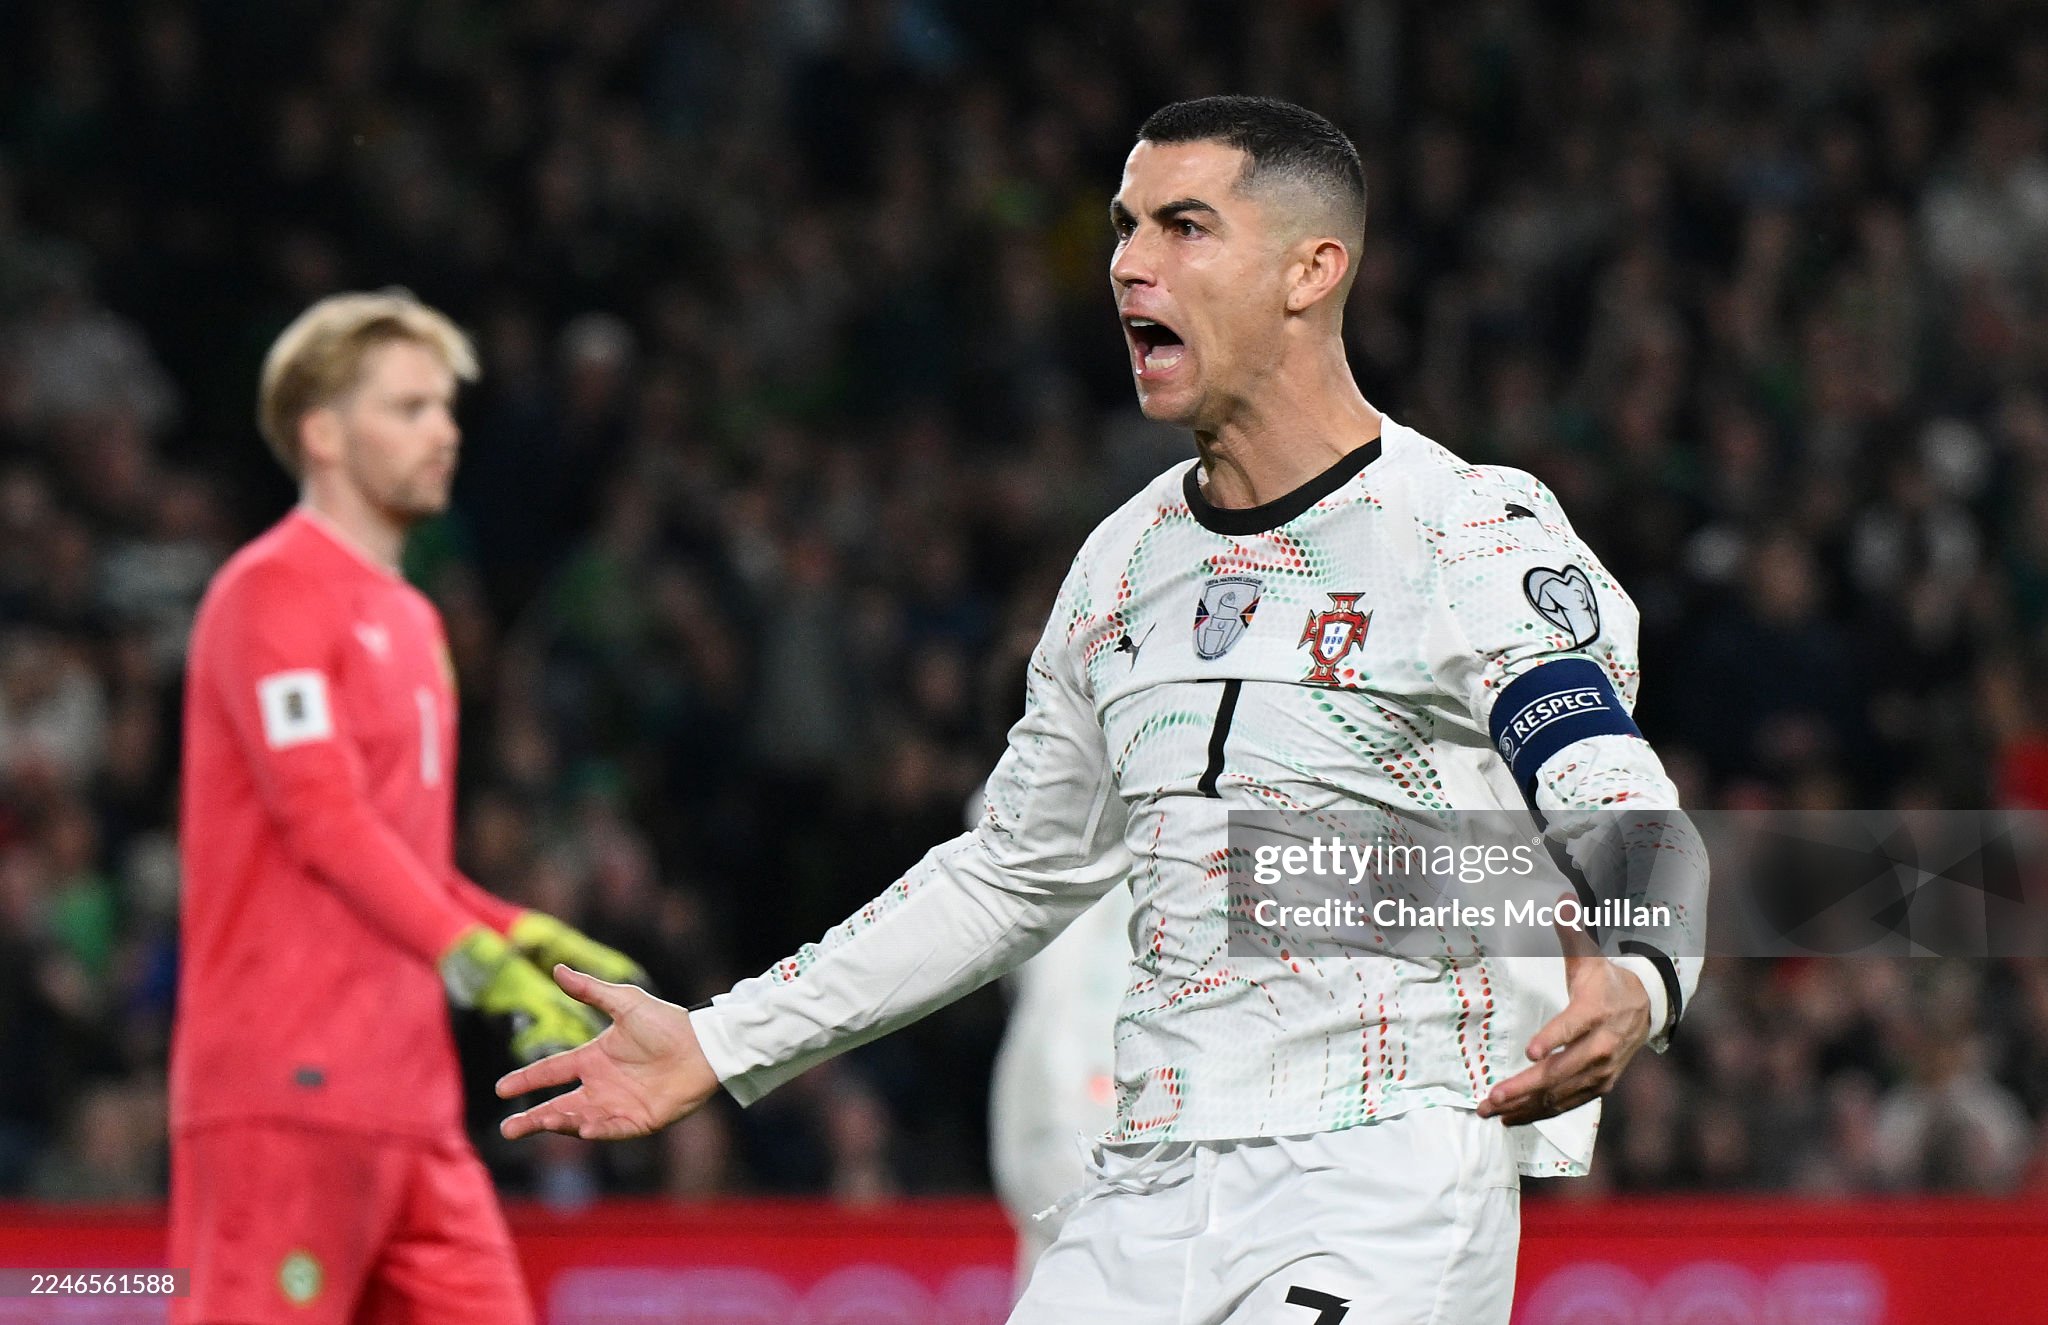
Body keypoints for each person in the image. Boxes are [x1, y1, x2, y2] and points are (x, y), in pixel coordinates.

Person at [496, 98, 1707, 1322]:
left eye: (1184, 226)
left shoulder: (1462, 532)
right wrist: (723, 1040)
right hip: (1140, 1183)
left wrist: (1642, 973)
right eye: (1125, 227)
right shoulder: (1123, 565)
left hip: (1376, 1173)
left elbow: (1609, 789)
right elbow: (1008, 871)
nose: (1128, 261)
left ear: (1310, 270)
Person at [170, 290, 647, 1325]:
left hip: (412, 1103)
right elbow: (321, 817)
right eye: (409, 407)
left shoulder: (414, 618)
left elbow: (393, 851)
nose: (445, 432)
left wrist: (509, 926)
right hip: (285, 1093)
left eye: (446, 407)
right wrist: (474, 960)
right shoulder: (269, 592)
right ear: (322, 433)